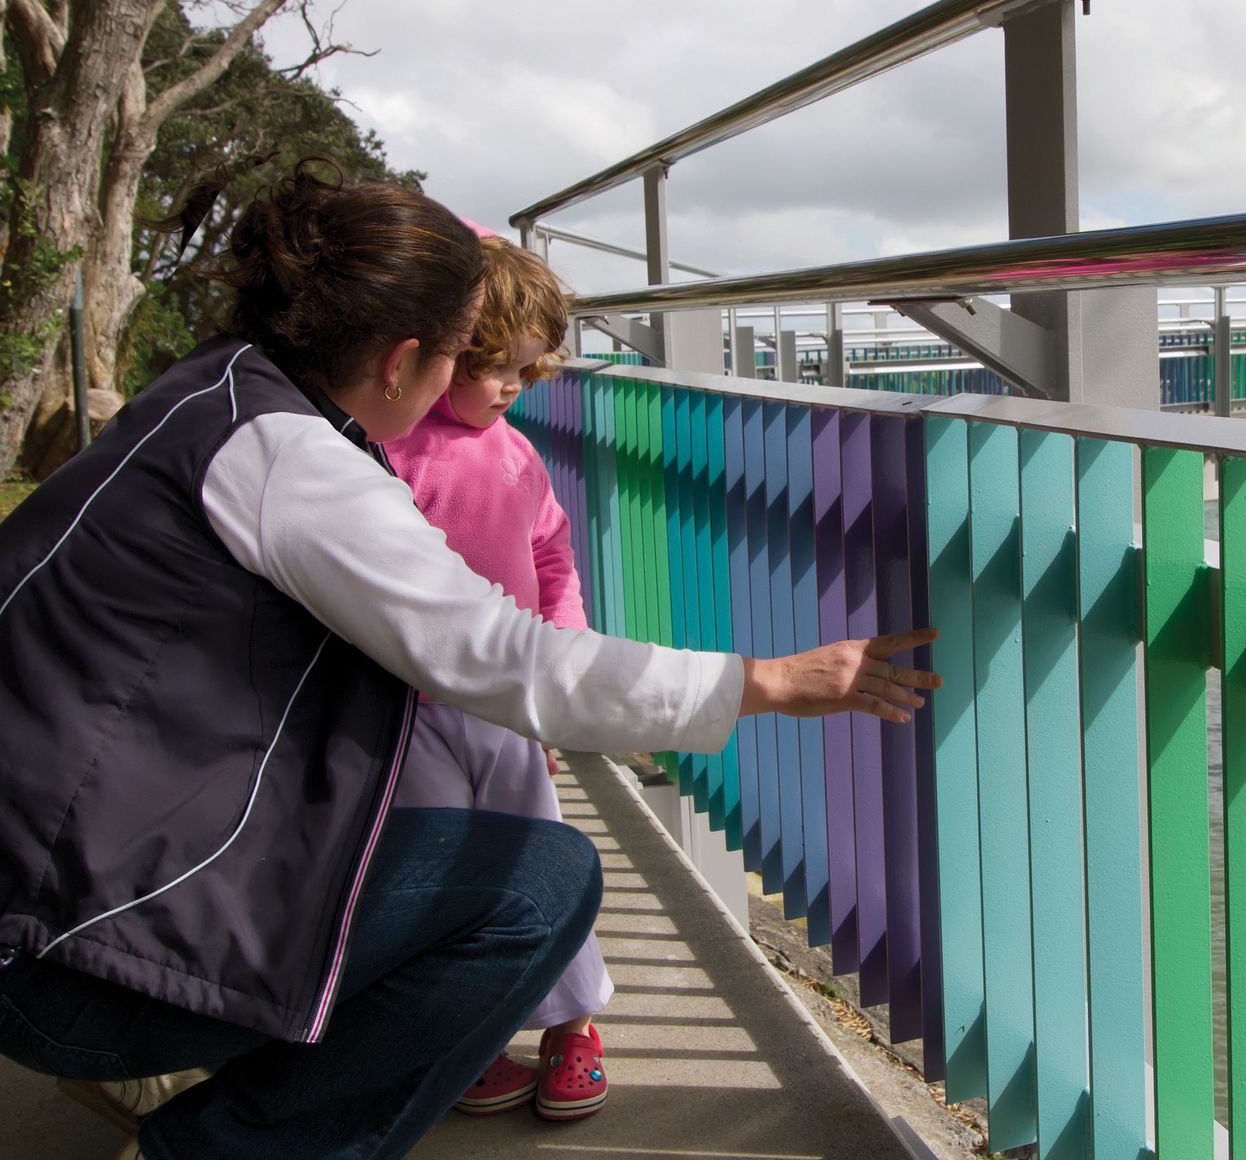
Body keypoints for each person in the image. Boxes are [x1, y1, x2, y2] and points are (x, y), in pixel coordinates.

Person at [0, 160, 937, 1160]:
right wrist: (770, 680)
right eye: (456, 356)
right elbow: (503, 656)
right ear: (404, 357)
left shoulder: (209, 391)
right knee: (535, 884)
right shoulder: (292, 462)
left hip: (43, 891)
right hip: (60, 958)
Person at [382, 235, 615, 1123]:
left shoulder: (516, 455)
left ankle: (574, 1024)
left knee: (538, 860)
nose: (514, 390)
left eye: (528, 373)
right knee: (437, 872)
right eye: (498, 370)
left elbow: (553, 557)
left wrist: (563, 654)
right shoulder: (388, 450)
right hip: (406, 709)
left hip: (507, 704)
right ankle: (472, 1036)